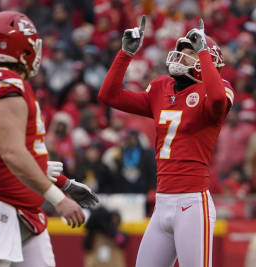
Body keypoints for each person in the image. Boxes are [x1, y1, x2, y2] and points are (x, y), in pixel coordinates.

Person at [0, 11, 88, 267]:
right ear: (23, 48)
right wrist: (58, 199)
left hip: (20, 206)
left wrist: (57, 180)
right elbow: (12, 153)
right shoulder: (4, 84)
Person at [98, 16, 234, 267]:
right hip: (162, 203)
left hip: (192, 203)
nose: (180, 57)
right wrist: (125, 54)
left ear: (207, 61)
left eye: (189, 53)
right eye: (180, 52)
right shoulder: (162, 88)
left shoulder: (218, 88)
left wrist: (203, 51)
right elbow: (109, 95)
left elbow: (216, 100)